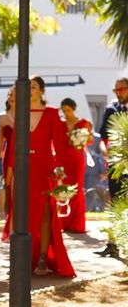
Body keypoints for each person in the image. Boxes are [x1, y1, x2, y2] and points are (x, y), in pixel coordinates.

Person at [2, 75, 75, 277]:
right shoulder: (21, 112)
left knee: (45, 213)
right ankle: (22, 258)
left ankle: (42, 257)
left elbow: (59, 144)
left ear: (41, 90)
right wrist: (10, 169)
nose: (30, 89)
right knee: (21, 213)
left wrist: (60, 170)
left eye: (33, 86)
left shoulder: (52, 113)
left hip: (45, 168)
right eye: (28, 87)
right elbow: (15, 143)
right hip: (22, 168)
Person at [95, 77, 128, 257]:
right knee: (116, 203)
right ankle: (113, 244)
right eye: (115, 90)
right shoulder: (111, 110)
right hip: (116, 165)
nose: (117, 93)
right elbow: (103, 138)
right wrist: (104, 151)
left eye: (121, 89)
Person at [59, 97, 93, 233]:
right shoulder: (60, 123)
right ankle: (64, 222)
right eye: (64, 111)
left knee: (77, 189)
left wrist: (82, 139)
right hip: (62, 159)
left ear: (73, 108)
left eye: (68, 110)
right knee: (63, 189)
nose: (66, 113)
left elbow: (90, 140)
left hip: (77, 159)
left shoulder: (84, 123)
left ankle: (77, 223)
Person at [0, 86, 16, 242]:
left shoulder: (29, 115)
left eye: (15, 94)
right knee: (11, 194)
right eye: (10, 94)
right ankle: (11, 229)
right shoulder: (2, 117)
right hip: (8, 157)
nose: (11, 96)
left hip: (27, 157)